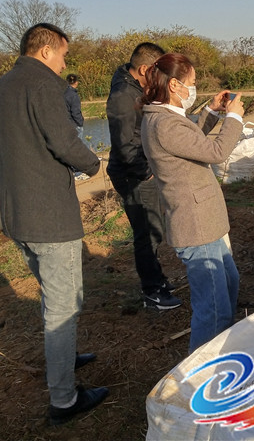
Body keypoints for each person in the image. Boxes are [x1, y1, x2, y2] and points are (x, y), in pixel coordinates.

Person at [0, 23, 108, 425]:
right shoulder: (42, 85)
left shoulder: (0, 87)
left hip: (18, 215)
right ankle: (64, 400)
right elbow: (63, 141)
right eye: (63, 55)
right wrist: (94, 164)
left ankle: (64, 357)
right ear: (45, 51)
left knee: (51, 296)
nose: (63, 63)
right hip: (49, 218)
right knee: (63, 306)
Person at [139, 53, 244, 353]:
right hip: (196, 227)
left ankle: (220, 354)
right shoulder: (164, 124)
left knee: (229, 283)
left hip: (204, 223)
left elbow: (190, 140)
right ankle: (201, 372)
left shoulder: (164, 118)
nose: (193, 88)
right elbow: (215, 152)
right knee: (214, 310)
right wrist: (234, 117)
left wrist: (211, 110)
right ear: (174, 85)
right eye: (192, 82)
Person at [106, 43, 181, 310]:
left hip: (140, 170)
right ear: (144, 69)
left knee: (154, 229)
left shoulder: (135, 88)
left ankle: (157, 279)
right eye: (157, 70)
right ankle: (152, 291)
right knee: (147, 232)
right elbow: (125, 144)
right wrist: (146, 172)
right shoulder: (123, 96)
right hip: (133, 175)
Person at [64, 73, 84, 138]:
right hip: (75, 125)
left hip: (66, 124)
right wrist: (80, 123)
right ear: (76, 82)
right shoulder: (74, 95)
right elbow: (75, 112)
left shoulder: (63, 93)